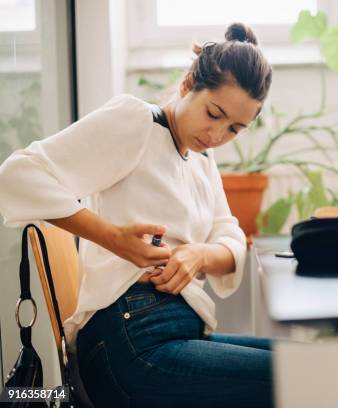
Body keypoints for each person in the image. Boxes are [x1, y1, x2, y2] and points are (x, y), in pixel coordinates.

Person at [0, 22, 274, 408]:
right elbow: (16, 176)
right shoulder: (138, 124)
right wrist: (113, 238)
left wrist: (198, 255)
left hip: (177, 331)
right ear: (188, 84)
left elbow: (230, 237)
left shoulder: (202, 159)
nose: (216, 135)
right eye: (213, 114)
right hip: (128, 341)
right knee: (301, 377)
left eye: (234, 128)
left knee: (312, 364)